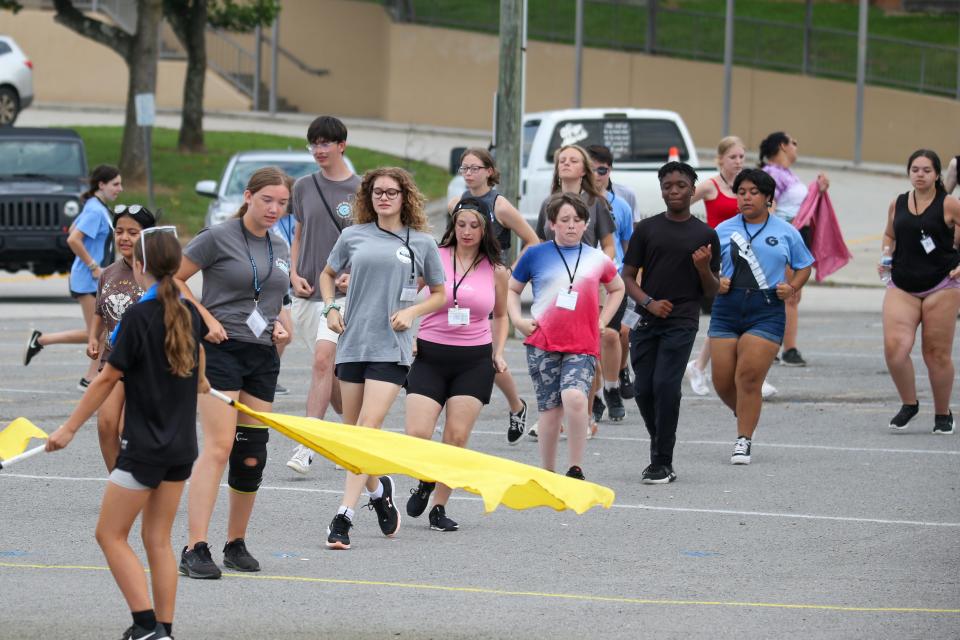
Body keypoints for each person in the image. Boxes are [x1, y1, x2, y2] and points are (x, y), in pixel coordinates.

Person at [45, 228, 208, 640]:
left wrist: (67, 429)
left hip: (144, 449)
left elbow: (105, 380)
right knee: (158, 538)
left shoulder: (137, 317)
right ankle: (164, 631)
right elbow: (202, 373)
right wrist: (198, 383)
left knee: (109, 534)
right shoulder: (188, 313)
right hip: (180, 449)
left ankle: (145, 623)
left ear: (139, 266)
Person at [175, 167, 293, 578]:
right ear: (248, 197)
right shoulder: (217, 236)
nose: (274, 209)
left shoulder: (280, 244)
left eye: (281, 202)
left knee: (250, 455)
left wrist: (279, 322)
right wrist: (204, 316)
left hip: (262, 353)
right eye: (267, 200)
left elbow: (275, 296)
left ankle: (235, 543)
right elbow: (174, 279)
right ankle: (195, 547)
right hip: (220, 350)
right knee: (220, 446)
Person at [322, 167, 445, 550]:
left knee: (367, 429)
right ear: (368, 197)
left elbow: (440, 294)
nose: (384, 198)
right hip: (353, 341)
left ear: (404, 197)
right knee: (353, 436)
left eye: (392, 192)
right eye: (377, 192)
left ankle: (344, 515)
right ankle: (379, 490)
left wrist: (412, 314)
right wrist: (329, 307)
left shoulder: (422, 242)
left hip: (391, 348)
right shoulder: (352, 235)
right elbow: (327, 274)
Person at [404, 197, 509, 531]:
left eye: (474, 225)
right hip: (430, 354)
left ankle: (439, 507)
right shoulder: (434, 255)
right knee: (417, 434)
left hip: (474, 360)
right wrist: (409, 334)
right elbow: (409, 295)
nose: (467, 231)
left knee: (456, 437)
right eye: (461, 224)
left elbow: (502, 315)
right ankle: (425, 479)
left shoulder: (496, 269)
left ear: (485, 229)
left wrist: (499, 350)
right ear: (453, 226)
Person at [508, 192, 624, 480]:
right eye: (565, 220)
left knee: (573, 397)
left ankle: (575, 467)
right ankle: (546, 472)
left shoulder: (596, 258)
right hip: (542, 341)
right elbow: (511, 289)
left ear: (586, 225)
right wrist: (517, 320)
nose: (571, 225)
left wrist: (603, 319)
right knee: (549, 410)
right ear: (551, 224)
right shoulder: (536, 254)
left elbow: (617, 288)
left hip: (582, 342)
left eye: (577, 220)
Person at [622, 162, 720, 484]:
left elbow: (711, 290)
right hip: (646, 320)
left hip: (682, 319)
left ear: (693, 189)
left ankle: (662, 460)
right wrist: (648, 301)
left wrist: (704, 268)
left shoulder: (705, 234)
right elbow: (627, 276)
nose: (674, 191)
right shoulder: (646, 229)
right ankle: (658, 442)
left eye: (681, 185)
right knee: (643, 388)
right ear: (661, 189)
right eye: (668, 186)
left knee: (666, 386)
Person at [709, 169, 813, 464]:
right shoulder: (722, 230)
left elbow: (805, 265)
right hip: (726, 307)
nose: (746, 197)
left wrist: (792, 287)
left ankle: (744, 439)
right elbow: (706, 268)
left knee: (748, 377)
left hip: (766, 308)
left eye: (753, 192)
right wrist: (716, 279)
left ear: (768, 198)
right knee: (721, 381)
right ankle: (746, 412)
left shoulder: (785, 231)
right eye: (741, 192)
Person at [285, 116, 361, 474]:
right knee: (329, 374)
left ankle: (307, 445)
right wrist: (294, 271)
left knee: (321, 360)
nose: (319, 150)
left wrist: (353, 273)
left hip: (342, 294)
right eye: (314, 143)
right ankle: (355, 427)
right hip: (305, 293)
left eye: (325, 143)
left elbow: (367, 242)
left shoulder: (362, 189)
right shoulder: (303, 186)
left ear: (341, 145)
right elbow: (298, 233)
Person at [448, 148, 537, 443]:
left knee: (486, 354)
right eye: (464, 168)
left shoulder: (499, 205)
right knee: (461, 349)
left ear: (489, 171)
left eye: (475, 168)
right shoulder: (456, 203)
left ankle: (516, 405)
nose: (469, 173)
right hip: (463, 286)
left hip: (491, 285)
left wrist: (510, 272)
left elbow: (532, 240)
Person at [685, 137, 778, 400]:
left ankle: (701, 366)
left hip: (750, 256)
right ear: (720, 159)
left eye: (741, 157)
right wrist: (692, 235)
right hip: (722, 257)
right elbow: (680, 205)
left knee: (736, 312)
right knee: (734, 312)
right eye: (733, 157)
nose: (738, 162)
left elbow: (770, 212)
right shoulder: (710, 186)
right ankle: (747, 375)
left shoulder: (749, 187)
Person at [533, 144, 616, 437]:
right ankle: (552, 413)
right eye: (562, 160)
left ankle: (587, 409)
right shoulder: (548, 202)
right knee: (551, 347)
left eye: (573, 160)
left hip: (588, 281)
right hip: (555, 285)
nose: (566, 164)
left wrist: (602, 270)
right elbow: (542, 244)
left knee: (584, 349)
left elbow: (608, 244)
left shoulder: (596, 201)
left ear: (584, 169)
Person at [881, 149, 960, 435]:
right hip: (902, 283)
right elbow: (889, 234)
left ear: (937, 174)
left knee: (935, 354)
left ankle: (942, 412)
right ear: (908, 172)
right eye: (915, 169)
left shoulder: (949, 204)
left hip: (942, 284)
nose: (920, 174)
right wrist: (886, 255)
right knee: (895, 349)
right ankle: (909, 403)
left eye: (927, 170)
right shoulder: (898, 203)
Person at [24, 165, 122, 391]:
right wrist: (93, 265)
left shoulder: (95, 206)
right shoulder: (95, 210)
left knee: (98, 332)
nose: (120, 188)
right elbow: (73, 239)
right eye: (116, 184)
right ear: (102, 185)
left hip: (92, 279)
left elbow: (72, 232)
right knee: (99, 333)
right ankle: (88, 379)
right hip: (88, 279)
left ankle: (40, 341)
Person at [88, 204, 156, 471]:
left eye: (132, 232)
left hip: (145, 363)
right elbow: (99, 310)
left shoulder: (157, 272)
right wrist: (93, 337)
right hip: (113, 361)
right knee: (106, 425)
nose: (124, 238)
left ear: (148, 235)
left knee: (127, 427)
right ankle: (118, 483)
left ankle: (140, 481)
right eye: (119, 232)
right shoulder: (108, 273)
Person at [759, 131, 829, 367]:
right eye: (794, 143)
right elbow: (770, 206)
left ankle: (778, 347)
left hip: (796, 236)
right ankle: (787, 349)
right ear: (782, 146)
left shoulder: (786, 174)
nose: (797, 147)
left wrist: (817, 190)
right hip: (786, 236)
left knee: (791, 294)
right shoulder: (773, 174)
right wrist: (774, 239)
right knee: (790, 294)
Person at [586, 144, 634, 422]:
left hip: (611, 275)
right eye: (591, 169)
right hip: (580, 278)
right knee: (588, 340)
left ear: (610, 171)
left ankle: (612, 387)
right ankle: (596, 394)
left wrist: (633, 278)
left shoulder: (622, 204)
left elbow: (628, 246)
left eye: (602, 169)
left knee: (610, 335)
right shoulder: (578, 202)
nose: (596, 175)